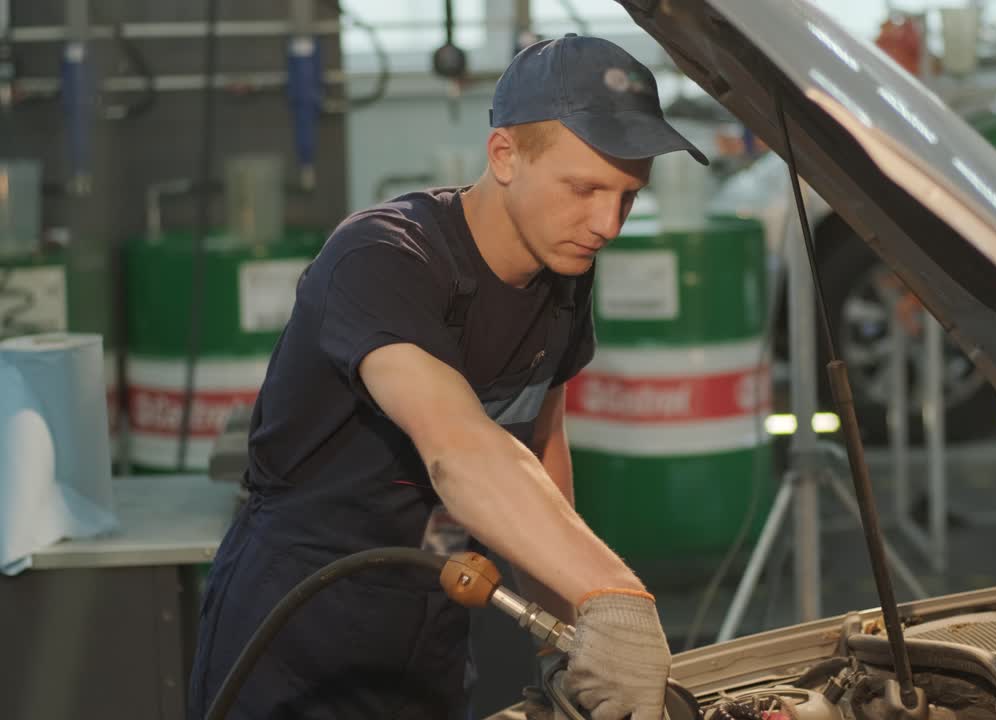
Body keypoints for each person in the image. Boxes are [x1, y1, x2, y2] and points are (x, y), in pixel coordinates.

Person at [187, 34, 709, 720]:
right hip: (299, 628)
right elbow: (456, 447)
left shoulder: (562, 276)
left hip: (430, 618)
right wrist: (611, 597)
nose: (606, 223)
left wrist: (568, 640)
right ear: (504, 156)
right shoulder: (383, 258)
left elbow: (541, 453)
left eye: (627, 197)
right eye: (584, 189)